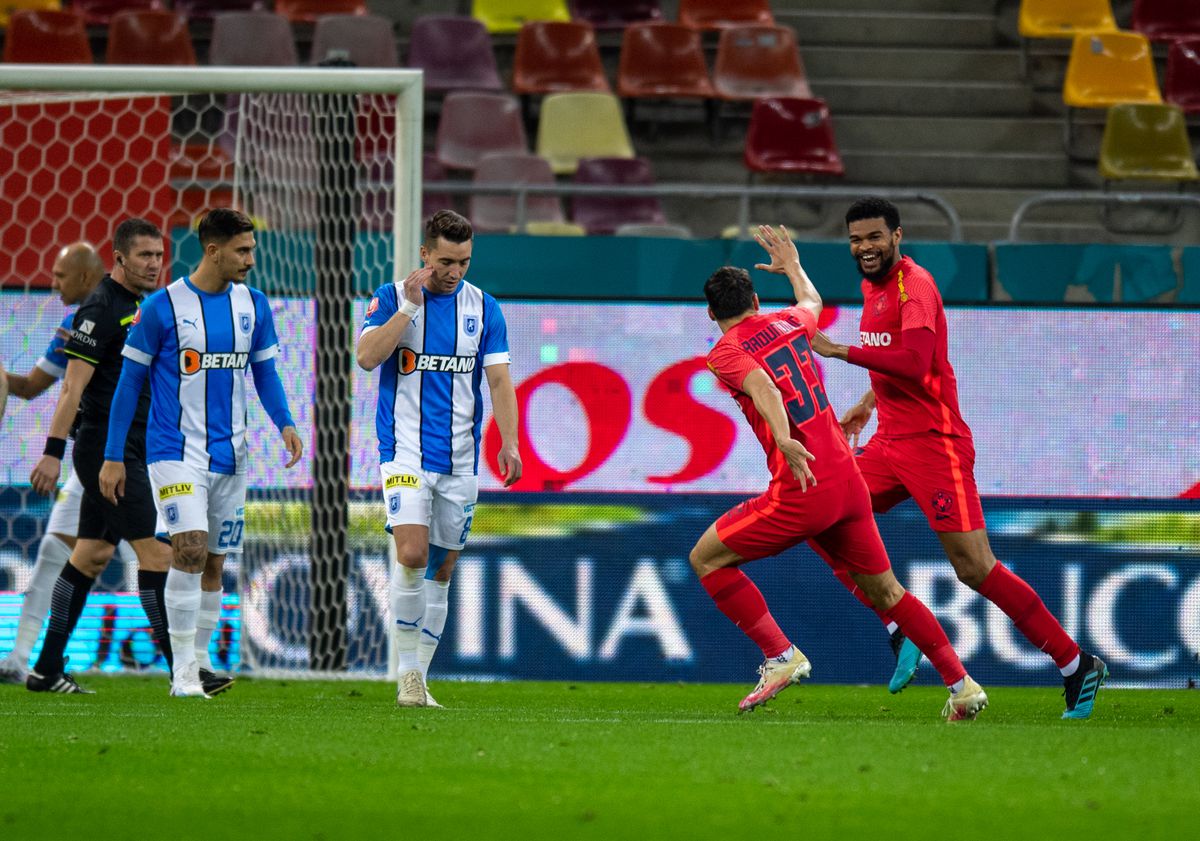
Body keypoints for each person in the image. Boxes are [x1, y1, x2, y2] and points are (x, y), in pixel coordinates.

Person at [811, 197, 1107, 720]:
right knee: (818, 512)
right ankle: (899, 626)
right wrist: (865, 402)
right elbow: (900, 364)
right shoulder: (871, 287)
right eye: (856, 239)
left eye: (875, 237)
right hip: (887, 443)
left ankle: (1074, 663)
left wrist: (840, 352)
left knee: (974, 568)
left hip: (935, 445)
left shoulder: (915, 286)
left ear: (897, 236)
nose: (865, 248)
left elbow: (917, 361)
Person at [692, 225, 988, 720]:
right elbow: (811, 299)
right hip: (850, 483)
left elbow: (762, 383)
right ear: (757, 299)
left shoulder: (723, 353)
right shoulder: (789, 321)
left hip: (802, 488)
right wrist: (793, 267)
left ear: (711, 314)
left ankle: (781, 655)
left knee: (706, 559)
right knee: (889, 591)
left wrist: (783, 435)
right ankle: (962, 685)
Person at [100, 208, 302, 699]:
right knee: (187, 548)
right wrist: (111, 456)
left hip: (232, 455)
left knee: (213, 563)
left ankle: (201, 661)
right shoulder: (161, 308)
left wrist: (286, 423)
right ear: (213, 250)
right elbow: (129, 383)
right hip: (174, 451)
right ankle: (183, 673)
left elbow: (264, 373)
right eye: (243, 251)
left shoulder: (253, 304)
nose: (251, 260)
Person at [357, 210, 521, 709]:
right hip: (403, 452)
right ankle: (407, 674)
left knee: (444, 567)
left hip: (461, 457)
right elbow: (366, 358)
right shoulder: (390, 297)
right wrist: (407, 309)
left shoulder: (485, 308)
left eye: (464, 262)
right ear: (424, 254)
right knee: (411, 555)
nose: (455, 271)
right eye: (446, 261)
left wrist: (509, 441)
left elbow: (498, 381)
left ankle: (420, 679)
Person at [23, 223, 180, 695]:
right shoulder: (100, 307)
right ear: (119, 258)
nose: (154, 263)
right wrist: (53, 454)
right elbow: (72, 387)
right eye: (144, 255)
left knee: (90, 555)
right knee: (158, 553)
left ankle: (45, 670)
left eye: (158, 254)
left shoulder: (147, 306)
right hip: (104, 450)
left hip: (135, 445)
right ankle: (186, 671)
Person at [0, 244, 140, 683]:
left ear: (86, 277)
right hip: (94, 455)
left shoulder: (134, 313)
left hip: (139, 452)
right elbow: (29, 388)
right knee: (61, 552)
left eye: (60, 275)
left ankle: (190, 664)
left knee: (163, 555)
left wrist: (51, 452)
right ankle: (24, 661)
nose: (54, 282)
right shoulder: (71, 324)